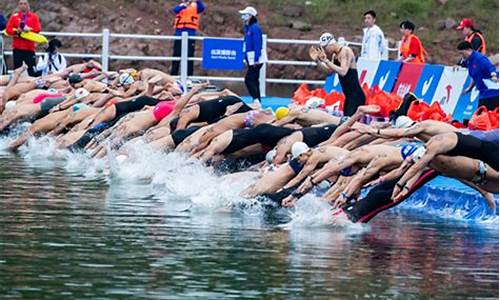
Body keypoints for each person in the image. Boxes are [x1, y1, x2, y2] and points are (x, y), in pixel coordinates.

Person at [309, 33, 366, 116]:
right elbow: (329, 72)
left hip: (356, 96)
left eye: (325, 48)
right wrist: (317, 61)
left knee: (348, 125)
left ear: (331, 44)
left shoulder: (345, 51)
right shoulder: (335, 55)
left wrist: (326, 61)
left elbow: (343, 72)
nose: (325, 51)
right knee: (346, 124)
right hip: (349, 97)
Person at [458, 41, 499, 110]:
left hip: (493, 93)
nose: (462, 56)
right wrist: (469, 88)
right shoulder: (468, 61)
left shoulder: (479, 59)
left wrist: (493, 76)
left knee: (485, 117)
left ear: (469, 50)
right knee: (481, 116)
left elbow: (491, 67)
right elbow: (476, 76)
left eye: (462, 53)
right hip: (483, 94)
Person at [5, 0, 41, 76]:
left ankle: (33, 86)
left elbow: (38, 29)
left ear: (28, 5)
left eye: (25, 4)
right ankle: (15, 86)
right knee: (17, 71)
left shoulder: (34, 17)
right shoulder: (14, 17)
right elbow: (8, 30)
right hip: (17, 48)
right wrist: (17, 31)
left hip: (29, 49)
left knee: (32, 70)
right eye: (21, 4)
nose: (23, 5)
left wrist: (29, 29)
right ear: (18, 5)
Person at [170, 0, 205, 76]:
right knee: (176, 54)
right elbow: (175, 10)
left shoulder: (196, 6)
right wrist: (184, 5)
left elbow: (202, 7)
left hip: (190, 33)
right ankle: (174, 74)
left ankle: (189, 75)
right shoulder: (180, 6)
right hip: (179, 33)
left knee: (189, 55)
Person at [240, 6, 265, 104]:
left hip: (255, 58)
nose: (242, 16)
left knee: (249, 79)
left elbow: (257, 43)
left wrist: (256, 58)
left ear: (250, 16)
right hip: (251, 58)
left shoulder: (254, 28)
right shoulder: (248, 28)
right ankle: (257, 100)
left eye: (244, 14)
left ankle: (256, 100)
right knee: (254, 79)